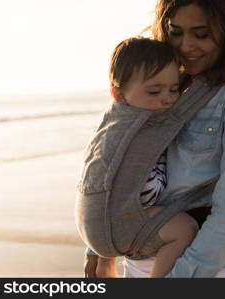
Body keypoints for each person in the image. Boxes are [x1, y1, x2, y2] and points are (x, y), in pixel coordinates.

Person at [84, 0, 225, 278]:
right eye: (176, 32)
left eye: (201, 34)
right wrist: (98, 248)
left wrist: (181, 276)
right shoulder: (160, 85)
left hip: (191, 264)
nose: (185, 46)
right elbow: (114, 161)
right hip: (136, 256)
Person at [79, 37, 207, 278]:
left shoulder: (111, 122)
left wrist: (94, 249)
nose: (168, 98)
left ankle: (106, 263)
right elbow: (181, 114)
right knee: (185, 229)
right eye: (154, 91)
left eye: (174, 88)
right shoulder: (143, 120)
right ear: (119, 94)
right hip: (120, 226)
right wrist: (208, 82)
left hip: (94, 226)